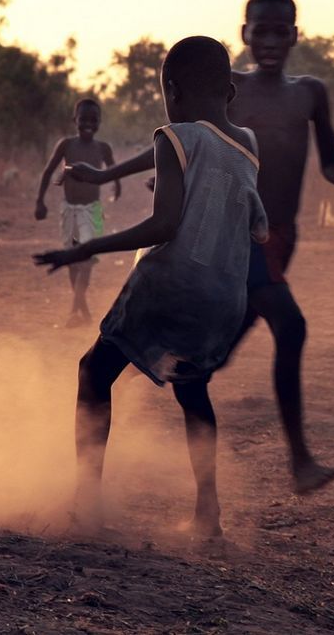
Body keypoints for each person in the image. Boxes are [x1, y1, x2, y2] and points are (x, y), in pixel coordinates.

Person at [65, 0, 334, 496]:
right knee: (269, 337)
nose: (270, 40)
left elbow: (326, 155)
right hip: (238, 243)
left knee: (183, 368)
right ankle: (288, 466)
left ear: (296, 35)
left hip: (259, 239)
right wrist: (108, 176)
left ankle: (113, 469)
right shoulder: (230, 91)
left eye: (280, 30)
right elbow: (177, 141)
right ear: (244, 33)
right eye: (261, 29)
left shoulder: (307, 92)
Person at [35, 37, 268, 536]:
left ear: (172, 89)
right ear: (229, 92)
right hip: (224, 296)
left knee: (94, 371)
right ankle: (209, 515)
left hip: (171, 283)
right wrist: (111, 174)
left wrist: (87, 248)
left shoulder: (174, 135)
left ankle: (87, 501)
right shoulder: (247, 143)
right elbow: (245, 212)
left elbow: (164, 224)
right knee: (192, 390)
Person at [34, 98, 121, 326]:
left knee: (87, 258)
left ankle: (76, 309)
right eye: (84, 119)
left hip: (92, 210)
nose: (88, 124)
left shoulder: (102, 148)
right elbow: (48, 171)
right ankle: (81, 309)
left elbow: (113, 170)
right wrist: (39, 201)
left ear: (100, 122)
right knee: (72, 259)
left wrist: (117, 185)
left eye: (94, 120)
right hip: (69, 210)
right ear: (75, 120)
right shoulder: (66, 145)